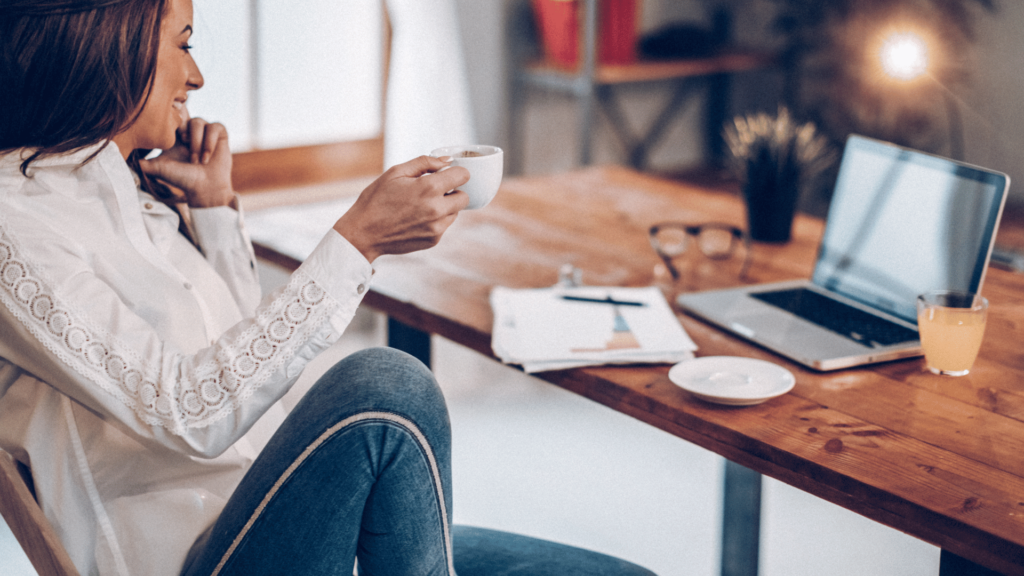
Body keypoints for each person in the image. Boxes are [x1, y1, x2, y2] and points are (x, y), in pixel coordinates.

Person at [0, 1, 659, 575]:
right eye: (185, 44)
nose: (197, 76)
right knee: (385, 391)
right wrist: (357, 241)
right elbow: (189, 413)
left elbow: (241, 379)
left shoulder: (131, 191)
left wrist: (218, 211)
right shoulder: (15, 226)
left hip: (287, 520)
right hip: (197, 559)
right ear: (111, 42)